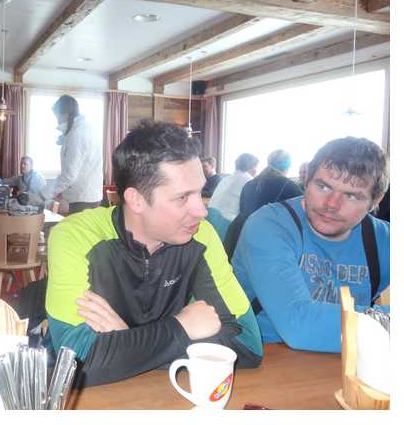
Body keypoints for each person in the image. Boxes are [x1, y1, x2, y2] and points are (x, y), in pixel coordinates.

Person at [45, 120, 262, 387]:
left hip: (166, 394)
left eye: (200, 192)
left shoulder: (201, 235)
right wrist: (180, 328)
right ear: (136, 200)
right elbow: (76, 363)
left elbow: (248, 345)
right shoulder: (75, 237)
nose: (202, 211)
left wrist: (128, 339)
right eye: (182, 197)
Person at [232, 137, 389, 353]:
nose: (331, 204)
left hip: (349, 360)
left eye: (351, 196)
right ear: (306, 180)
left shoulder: (383, 239)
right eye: (323, 186)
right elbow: (299, 325)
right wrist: (386, 323)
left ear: (376, 200)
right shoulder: (269, 225)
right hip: (265, 358)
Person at [35, 95, 103, 215]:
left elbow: (69, 175)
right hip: (88, 194)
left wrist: (41, 195)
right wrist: (66, 139)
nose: (57, 121)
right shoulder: (84, 128)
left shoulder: (77, 134)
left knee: (78, 228)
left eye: (57, 117)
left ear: (65, 114)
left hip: (83, 198)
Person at [207, 153, 259, 239]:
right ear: (253, 168)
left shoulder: (226, 178)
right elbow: (251, 210)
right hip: (226, 227)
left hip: (209, 221)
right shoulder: (250, 181)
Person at [239, 149, 302, 216]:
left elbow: (242, 210)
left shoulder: (249, 184)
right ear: (287, 166)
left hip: (247, 222)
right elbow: (304, 209)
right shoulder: (288, 186)